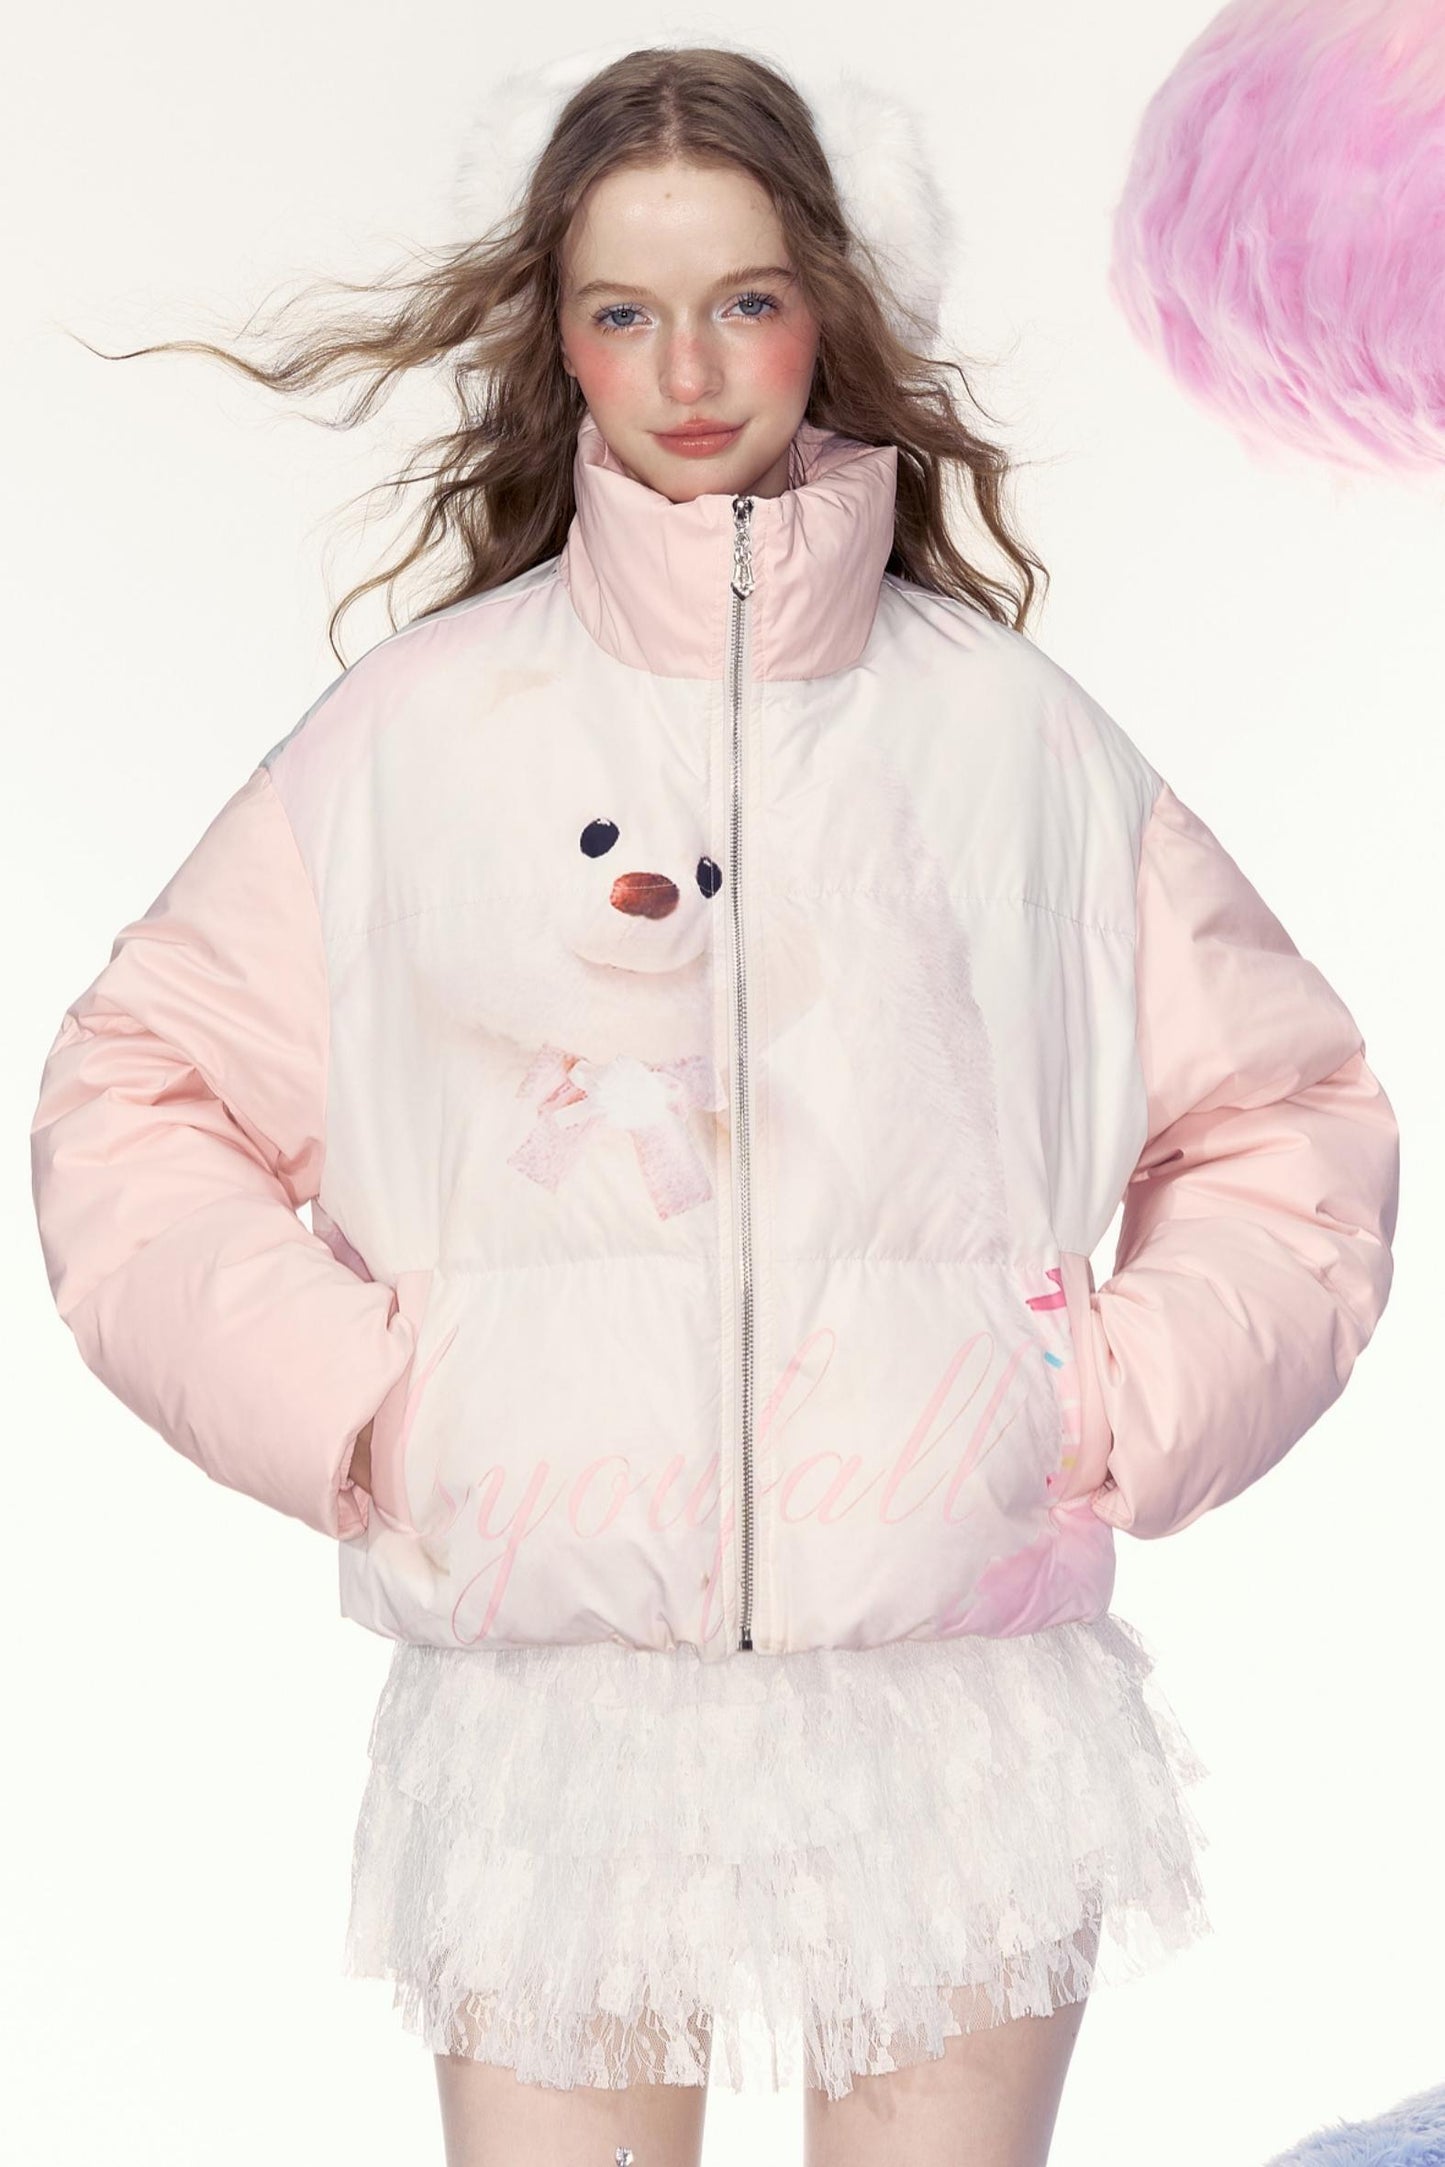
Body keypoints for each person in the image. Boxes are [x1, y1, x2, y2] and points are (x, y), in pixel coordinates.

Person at [28, 42, 1400, 2167]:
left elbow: (1287, 1117)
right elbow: (137, 1094)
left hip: (953, 1699)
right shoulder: (422, 731)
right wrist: (366, 1401)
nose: (688, 370)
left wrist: (1108, 1392)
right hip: (556, 1710)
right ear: (562, 338)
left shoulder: (1010, 736)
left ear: (818, 309)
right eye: (626, 310)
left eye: (742, 300)